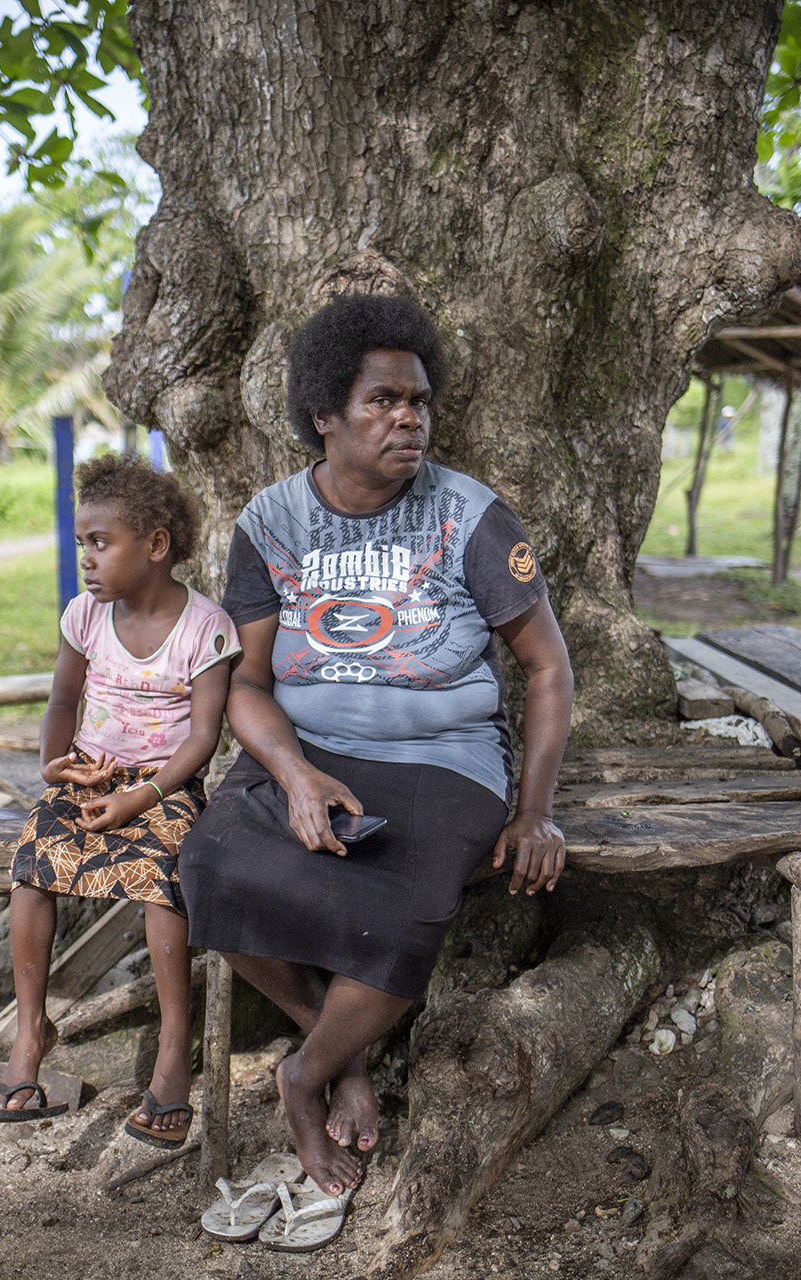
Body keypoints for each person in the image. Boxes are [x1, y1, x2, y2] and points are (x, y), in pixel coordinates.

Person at [179, 293, 575, 1198]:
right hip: (305, 742)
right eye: (383, 401)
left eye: (420, 402)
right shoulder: (270, 523)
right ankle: (342, 1048)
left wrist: (537, 811)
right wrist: (293, 774)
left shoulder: (470, 516)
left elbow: (548, 671)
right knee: (204, 868)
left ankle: (305, 1072)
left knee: (410, 903)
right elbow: (246, 682)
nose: (409, 419)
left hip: (445, 755)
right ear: (324, 415)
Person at [0, 454, 240, 1148]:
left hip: (165, 786)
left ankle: (172, 1043)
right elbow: (64, 699)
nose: (88, 562)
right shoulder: (85, 617)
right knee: (32, 863)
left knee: (163, 879)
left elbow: (205, 736)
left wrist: (144, 798)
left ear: (156, 545)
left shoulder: (204, 627)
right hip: (91, 779)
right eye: (83, 546)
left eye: (101, 544)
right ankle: (31, 1027)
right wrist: (52, 764)